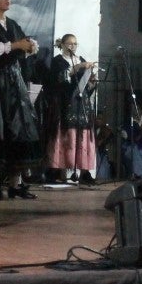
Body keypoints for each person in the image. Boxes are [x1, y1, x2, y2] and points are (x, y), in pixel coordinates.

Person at [0, 0, 43, 198]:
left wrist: (29, 46)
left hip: (14, 81)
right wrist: (16, 45)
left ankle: (15, 183)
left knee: (19, 128)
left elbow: (23, 45)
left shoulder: (13, 24)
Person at [43, 33, 98, 184]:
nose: (73, 46)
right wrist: (78, 67)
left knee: (83, 135)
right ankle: (56, 170)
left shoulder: (81, 59)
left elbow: (87, 86)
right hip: (65, 103)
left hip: (81, 104)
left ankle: (84, 171)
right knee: (65, 135)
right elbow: (57, 80)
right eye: (70, 44)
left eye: (75, 44)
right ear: (62, 45)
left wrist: (92, 81)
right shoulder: (57, 61)